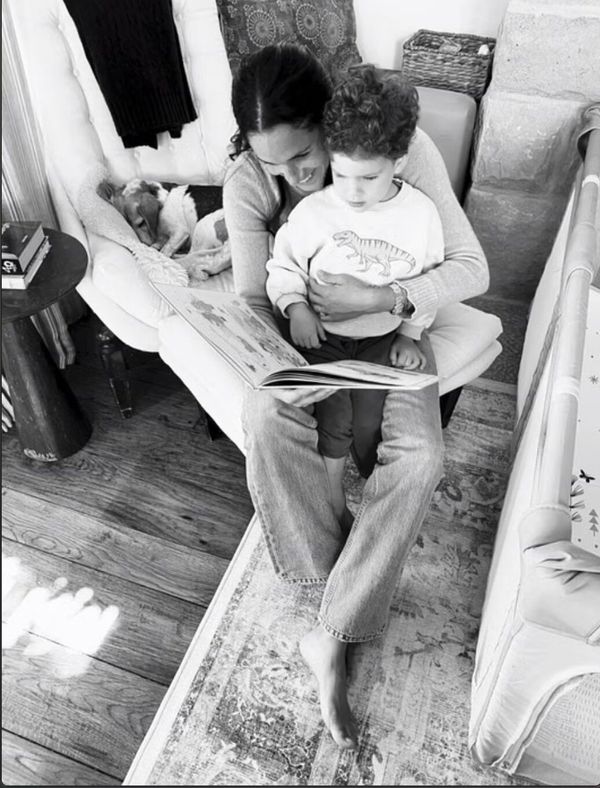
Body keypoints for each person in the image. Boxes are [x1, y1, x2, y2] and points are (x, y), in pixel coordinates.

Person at [223, 43, 488, 750]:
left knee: (421, 457)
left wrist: (386, 299)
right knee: (265, 416)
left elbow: (469, 267)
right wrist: (288, 345)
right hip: (305, 341)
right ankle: (335, 596)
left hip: (390, 334)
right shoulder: (250, 184)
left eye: (304, 155)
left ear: (331, 123)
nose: (294, 176)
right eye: (273, 165)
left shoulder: (396, 150)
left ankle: (332, 632)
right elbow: (254, 295)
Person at [265, 64, 444, 523]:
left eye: (368, 178)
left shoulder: (421, 216)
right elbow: (282, 267)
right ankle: (331, 497)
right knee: (335, 417)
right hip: (322, 340)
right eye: (342, 175)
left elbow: (430, 280)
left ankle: (374, 495)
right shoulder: (314, 213)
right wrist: (296, 307)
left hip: (379, 339)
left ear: (398, 162)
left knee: (369, 424)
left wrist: (409, 334)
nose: (353, 191)